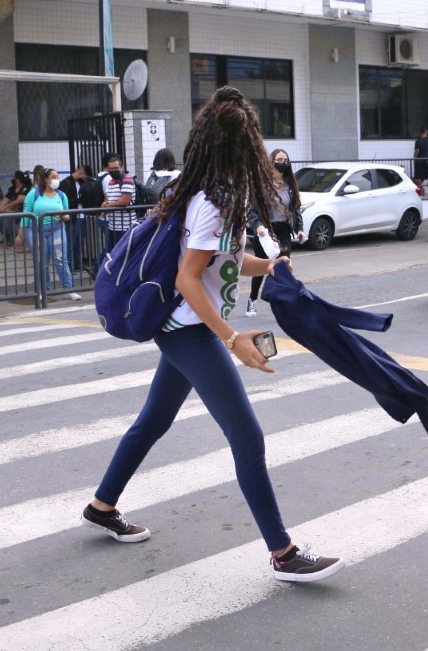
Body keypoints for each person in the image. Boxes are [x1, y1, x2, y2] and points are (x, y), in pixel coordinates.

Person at [83, 85, 344, 583]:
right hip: (190, 331)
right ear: (244, 148)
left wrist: (265, 264)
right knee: (248, 437)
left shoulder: (217, 194)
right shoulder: (213, 202)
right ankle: (283, 553)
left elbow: (215, 262)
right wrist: (232, 338)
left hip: (186, 327)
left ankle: (101, 505)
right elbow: (187, 277)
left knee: (153, 421)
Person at [245, 148, 303, 317]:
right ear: (271, 162)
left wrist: (299, 228)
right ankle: (252, 299)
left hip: (283, 230)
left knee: (284, 267)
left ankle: (284, 303)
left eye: (286, 160)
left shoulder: (290, 185)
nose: (283, 163)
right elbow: (252, 210)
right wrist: (258, 226)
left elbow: (296, 208)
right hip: (266, 232)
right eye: (279, 159)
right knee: (261, 267)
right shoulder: (262, 185)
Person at [23, 167, 82, 300]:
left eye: (57, 177)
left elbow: (67, 214)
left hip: (57, 228)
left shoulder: (61, 195)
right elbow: (26, 214)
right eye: (53, 177)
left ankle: (69, 289)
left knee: (61, 259)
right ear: (46, 179)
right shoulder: (34, 193)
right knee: (41, 261)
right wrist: (21, 235)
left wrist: (64, 216)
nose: (56, 180)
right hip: (37, 229)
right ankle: (44, 290)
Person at [99, 154, 137, 266]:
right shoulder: (110, 182)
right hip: (113, 226)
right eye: (111, 169)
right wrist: (105, 204)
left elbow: (124, 201)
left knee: (124, 255)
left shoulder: (127, 180)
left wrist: (108, 205)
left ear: (122, 167)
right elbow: (109, 200)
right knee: (113, 254)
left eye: (116, 168)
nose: (113, 170)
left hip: (125, 226)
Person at [0, 170, 31, 247]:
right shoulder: (12, 189)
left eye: (13, 177)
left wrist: (6, 207)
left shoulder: (26, 188)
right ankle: (7, 238)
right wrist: (1, 208)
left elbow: (18, 201)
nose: (12, 178)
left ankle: (16, 240)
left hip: (22, 211)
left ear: (17, 179)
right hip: (13, 210)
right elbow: (7, 198)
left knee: (8, 220)